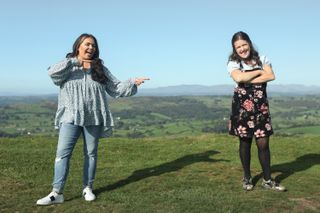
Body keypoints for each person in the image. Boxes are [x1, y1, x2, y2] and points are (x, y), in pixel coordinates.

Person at [36, 33, 149, 205]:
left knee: (91, 154)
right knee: (62, 155)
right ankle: (56, 193)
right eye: (87, 44)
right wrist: (76, 61)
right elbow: (52, 73)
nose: (90, 48)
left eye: (93, 46)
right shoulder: (68, 66)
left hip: (94, 117)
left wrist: (132, 82)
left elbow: (116, 88)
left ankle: (87, 188)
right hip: (70, 116)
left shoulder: (100, 68)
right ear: (78, 46)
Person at [227, 31, 286, 192]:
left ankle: (267, 180)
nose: (242, 49)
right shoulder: (233, 62)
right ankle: (247, 178)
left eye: (244, 44)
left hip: (260, 108)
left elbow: (271, 76)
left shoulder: (263, 58)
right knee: (245, 143)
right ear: (234, 48)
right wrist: (260, 72)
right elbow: (238, 78)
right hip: (241, 110)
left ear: (249, 43)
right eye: (238, 47)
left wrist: (249, 77)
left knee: (264, 143)